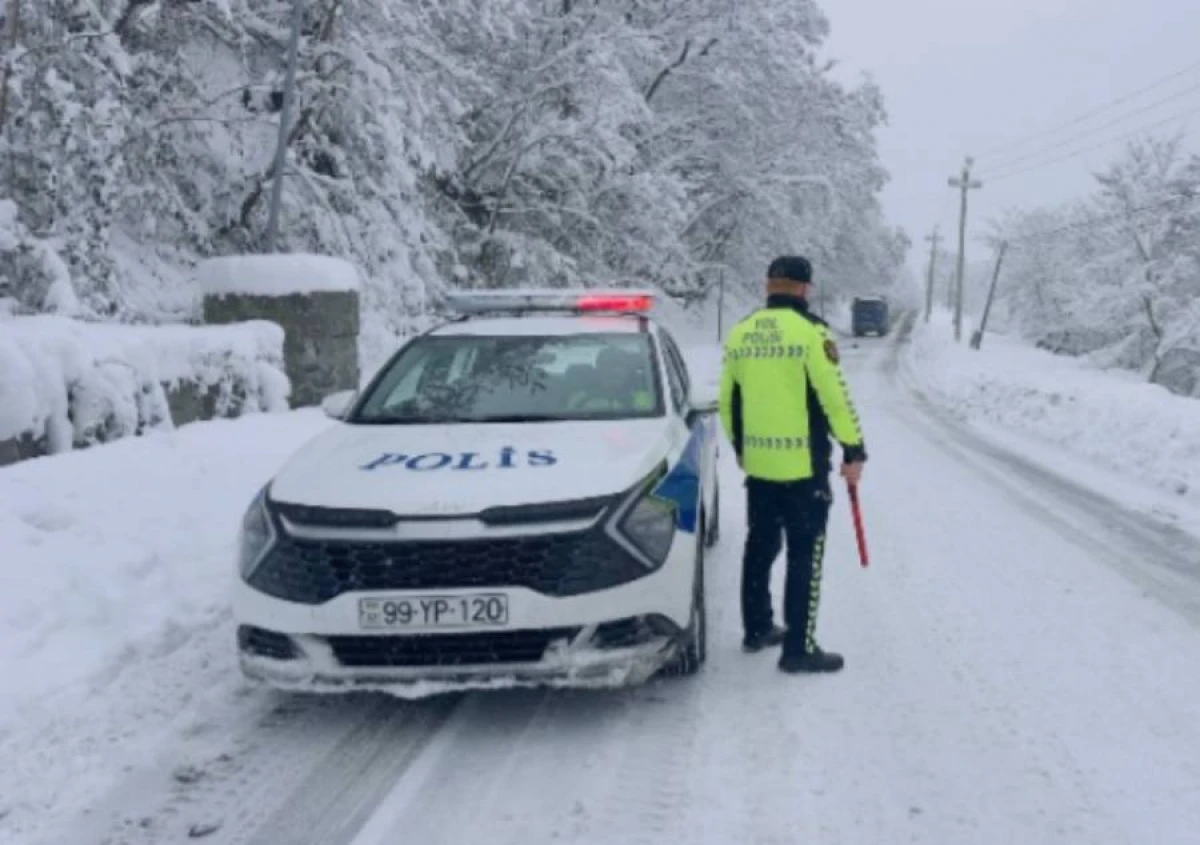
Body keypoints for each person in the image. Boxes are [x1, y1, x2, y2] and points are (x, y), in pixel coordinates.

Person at [718, 255, 867, 674]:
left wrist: (742, 449)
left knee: (760, 546)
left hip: (760, 468)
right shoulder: (811, 333)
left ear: (769, 285)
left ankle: (757, 627)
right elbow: (834, 398)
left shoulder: (741, 332)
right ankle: (799, 649)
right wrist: (854, 449)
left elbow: (728, 402)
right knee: (805, 556)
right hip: (804, 470)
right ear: (805, 288)